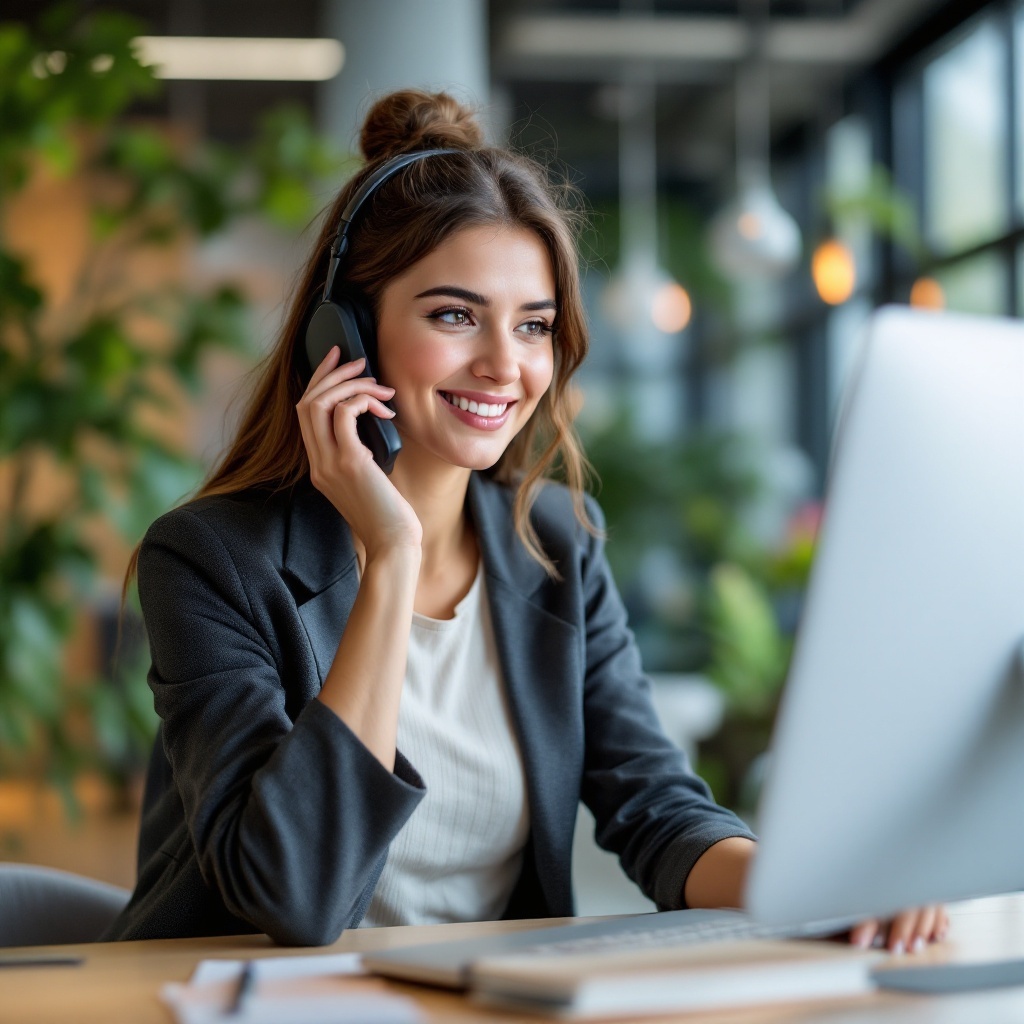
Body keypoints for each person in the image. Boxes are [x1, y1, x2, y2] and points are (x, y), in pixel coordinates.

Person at [105, 90, 946, 952]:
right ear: (346, 335)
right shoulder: (212, 559)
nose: (505, 365)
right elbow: (293, 895)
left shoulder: (556, 543)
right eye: (454, 315)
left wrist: (810, 887)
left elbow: (652, 804)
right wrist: (392, 557)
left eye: (534, 325)